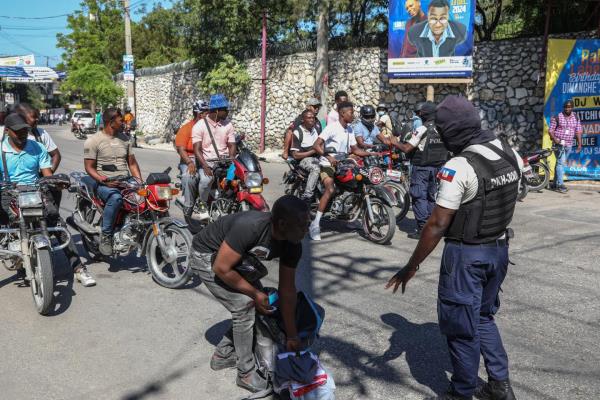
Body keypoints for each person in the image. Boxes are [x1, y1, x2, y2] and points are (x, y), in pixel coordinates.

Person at [386, 96, 521, 400]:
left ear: (453, 132)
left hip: (466, 256)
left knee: (461, 328)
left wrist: (411, 266)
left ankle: (461, 392)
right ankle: (500, 386)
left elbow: (436, 224)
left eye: (444, 131)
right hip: (499, 250)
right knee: (484, 317)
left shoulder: (459, 166)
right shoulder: (508, 151)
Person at [190, 195, 310, 393]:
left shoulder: (293, 244)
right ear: (282, 223)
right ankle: (245, 372)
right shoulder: (251, 227)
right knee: (244, 305)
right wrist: (254, 293)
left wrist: (292, 335)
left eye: (308, 223)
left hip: (236, 260)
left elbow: (287, 290)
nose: (307, 230)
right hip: (206, 255)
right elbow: (221, 268)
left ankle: (223, 354)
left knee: (266, 305)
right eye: (302, 225)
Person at [0, 113, 95, 286]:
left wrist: (56, 183)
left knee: (56, 223)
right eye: (17, 132)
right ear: (7, 131)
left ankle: (79, 269)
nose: (22, 135)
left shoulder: (36, 147)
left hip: (34, 191)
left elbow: (47, 175)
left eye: (24, 131)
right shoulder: (1, 150)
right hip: (8, 192)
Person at [82, 108, 143, 256]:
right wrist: (104, 181)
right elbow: (89, 168)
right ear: (111, 122)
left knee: (145, 199)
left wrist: (140, 183)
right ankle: (106, 236)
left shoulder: (125, 139)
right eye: (121, 120)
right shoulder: (94, 141)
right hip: (103, 183)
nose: (124, 122)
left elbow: (132, 164)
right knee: (116, 198)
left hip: (125, 181)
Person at [311, 101, 372, 241]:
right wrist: (328, 156)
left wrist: (371, 154)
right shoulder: (332, 128)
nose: (353, 114)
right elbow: (316, 145)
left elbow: (355, 149)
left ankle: (351, 217)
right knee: (330, 189)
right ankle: (315, 225)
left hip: (344, 164)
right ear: (342, 113)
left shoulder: (350, 129)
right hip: (327, 164)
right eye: (351, 112)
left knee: (359, 182)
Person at [392, 102, 448, 239]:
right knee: (431, 196)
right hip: (437, 168)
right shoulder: (442, 128)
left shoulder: (422, 129)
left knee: (418, 196)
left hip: (422, 168)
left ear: (423, 114)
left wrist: (393, 142)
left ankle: (423, 228)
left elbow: (407, 148)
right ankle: (431, 224)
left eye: (420, 113)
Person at [191, 94, 237, 219]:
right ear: (217, 110)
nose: (227, 112)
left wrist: (232, 160)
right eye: (225, 109)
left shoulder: (228, 124)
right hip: (208, 163)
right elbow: (197, 149)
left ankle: (233, 206)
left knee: (239, 181)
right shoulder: (199, 126)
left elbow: (232, 145)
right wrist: (205, 166)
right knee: (206, 180)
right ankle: (201, 205)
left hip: (225, 162)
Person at [174, 99, 209, 216]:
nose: (208, 115)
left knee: (209, 177)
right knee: (189, 177)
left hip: (205, 158)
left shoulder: (209, 127)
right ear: (199, 114)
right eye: (206, 113)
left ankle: (206, 203)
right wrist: (189, 162)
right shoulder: (186, 128)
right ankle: (188, 205)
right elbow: (180, 149)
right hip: (190, 158)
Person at [548, 99, 583, 193]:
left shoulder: (576, 117)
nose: (567, 108)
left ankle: (554, 184)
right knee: (561, 163)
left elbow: (578, 131)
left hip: (569, 144)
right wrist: (555, 139)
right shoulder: (557, 117)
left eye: (569, 107)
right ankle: (560, 185)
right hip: (558, 144)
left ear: (572, 107)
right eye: (566, 107)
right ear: (563, 107)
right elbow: (551, 130)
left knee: (560, 163)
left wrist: (580, 144)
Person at [289, 109, 321, 202]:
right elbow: (295, 155)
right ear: (303, 120)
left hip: (317, 157)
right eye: (309, 118)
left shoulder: (316, 130)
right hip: (303, 160)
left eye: (313, 118)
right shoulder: (298, 133)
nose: (312, 120)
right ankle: (307, 195)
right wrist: (313, 151)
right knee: (316, 168)